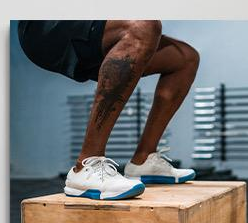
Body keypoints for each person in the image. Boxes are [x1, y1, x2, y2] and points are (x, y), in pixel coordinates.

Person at [18, 20, 199, 200]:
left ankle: (144, 160)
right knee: (142, 27)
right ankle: (85, 166)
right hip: (43, 26)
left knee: (185, 58)